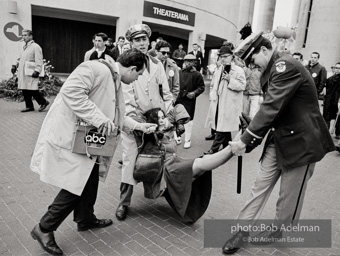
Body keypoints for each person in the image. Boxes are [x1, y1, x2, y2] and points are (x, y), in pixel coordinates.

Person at [29, 49, 155, 255]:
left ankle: (85, 218)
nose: (136, 79)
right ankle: (44, 228)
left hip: (89, 140)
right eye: (138, 75)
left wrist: (140, 126)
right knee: (74, 183)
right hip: (74, 137)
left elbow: (116, 116)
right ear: (132, 68)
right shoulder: (95, 68)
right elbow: (71, 93)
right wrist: (100, 119)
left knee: (90, 178)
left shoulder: (114, 79)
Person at [222, 32, 335, 255]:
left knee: (288, 198)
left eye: (253, 61)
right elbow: (273, 109)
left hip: (302, 144)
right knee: (258, 188)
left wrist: (245, 141)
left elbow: (271, 106)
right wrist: (249, 132)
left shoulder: (285, 65)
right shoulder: (274, 69)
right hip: (279, 139)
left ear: (264, 50)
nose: (253, 67)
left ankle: (279, 231)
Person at [131, 107, 244, 223]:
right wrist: (148, 127)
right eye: (158, 118)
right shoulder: (149, 136)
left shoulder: (168, 129)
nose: (161, 120)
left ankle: (239, 138)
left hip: (175, 162)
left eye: (162, 117)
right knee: (200, 164)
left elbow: (178, 106)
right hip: (167, 170)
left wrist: (176, 122)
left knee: (203, 163)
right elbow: (133, 119)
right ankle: (236, 145)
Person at [115, 24, 174, 221]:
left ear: (149, 41)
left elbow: (166, 94)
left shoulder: (157, 64)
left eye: (144, 39)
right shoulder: (126, 63)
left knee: (161, 156)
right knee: (130, 160)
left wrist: (166, 115)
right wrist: (138, 123)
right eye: (137, 40)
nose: (141, 43)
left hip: (156, 121)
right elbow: (127, 98)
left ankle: (162, 193)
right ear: (130, 43)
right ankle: (124, 202)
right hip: (133, 121)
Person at [204, 46, 246, 155]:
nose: (223, 59)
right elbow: (213, 84)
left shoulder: (238, 70)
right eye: (221, 57)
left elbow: (242, 86)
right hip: (218, 102)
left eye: (226, 56)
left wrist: (230, 79)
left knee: (222, 127)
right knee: (223, 125)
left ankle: (214, 149)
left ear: (232, 56)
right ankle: (228, 147)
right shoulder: (219, 69)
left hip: (230, 103)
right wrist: (212, 95)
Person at [14, 29, 49, 113]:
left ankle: (43, 102)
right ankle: (29, 106)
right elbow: (19, 58)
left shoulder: (35, 47)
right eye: (23, 35)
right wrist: (14, 65)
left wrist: (37, 70)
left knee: (32, 89)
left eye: (25, 35)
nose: (24, 37)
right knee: (25, 89)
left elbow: (39, 60)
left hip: (31, 72)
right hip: (23, 72)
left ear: (31, 36)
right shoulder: (24, 47)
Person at [175, 54, 205, 148]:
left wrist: (194, 93)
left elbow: (201, 87)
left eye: (190, 61)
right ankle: (178, 136)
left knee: (188, 120)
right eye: (186, 61)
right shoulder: (179, 72)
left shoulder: (197, 74)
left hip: (189, 100)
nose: (188, 63)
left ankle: (187, 139)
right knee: (177, 118)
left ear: (194, 63)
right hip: (179, 98)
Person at [321, 62, 340, 133]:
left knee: (334, 115)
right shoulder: (330, 79)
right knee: (327, 114)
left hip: (337, 100)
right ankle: (327, 131)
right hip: (329, 99)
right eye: (336, 68)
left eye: (339, 68)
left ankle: (334, 131)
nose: (337, 70)